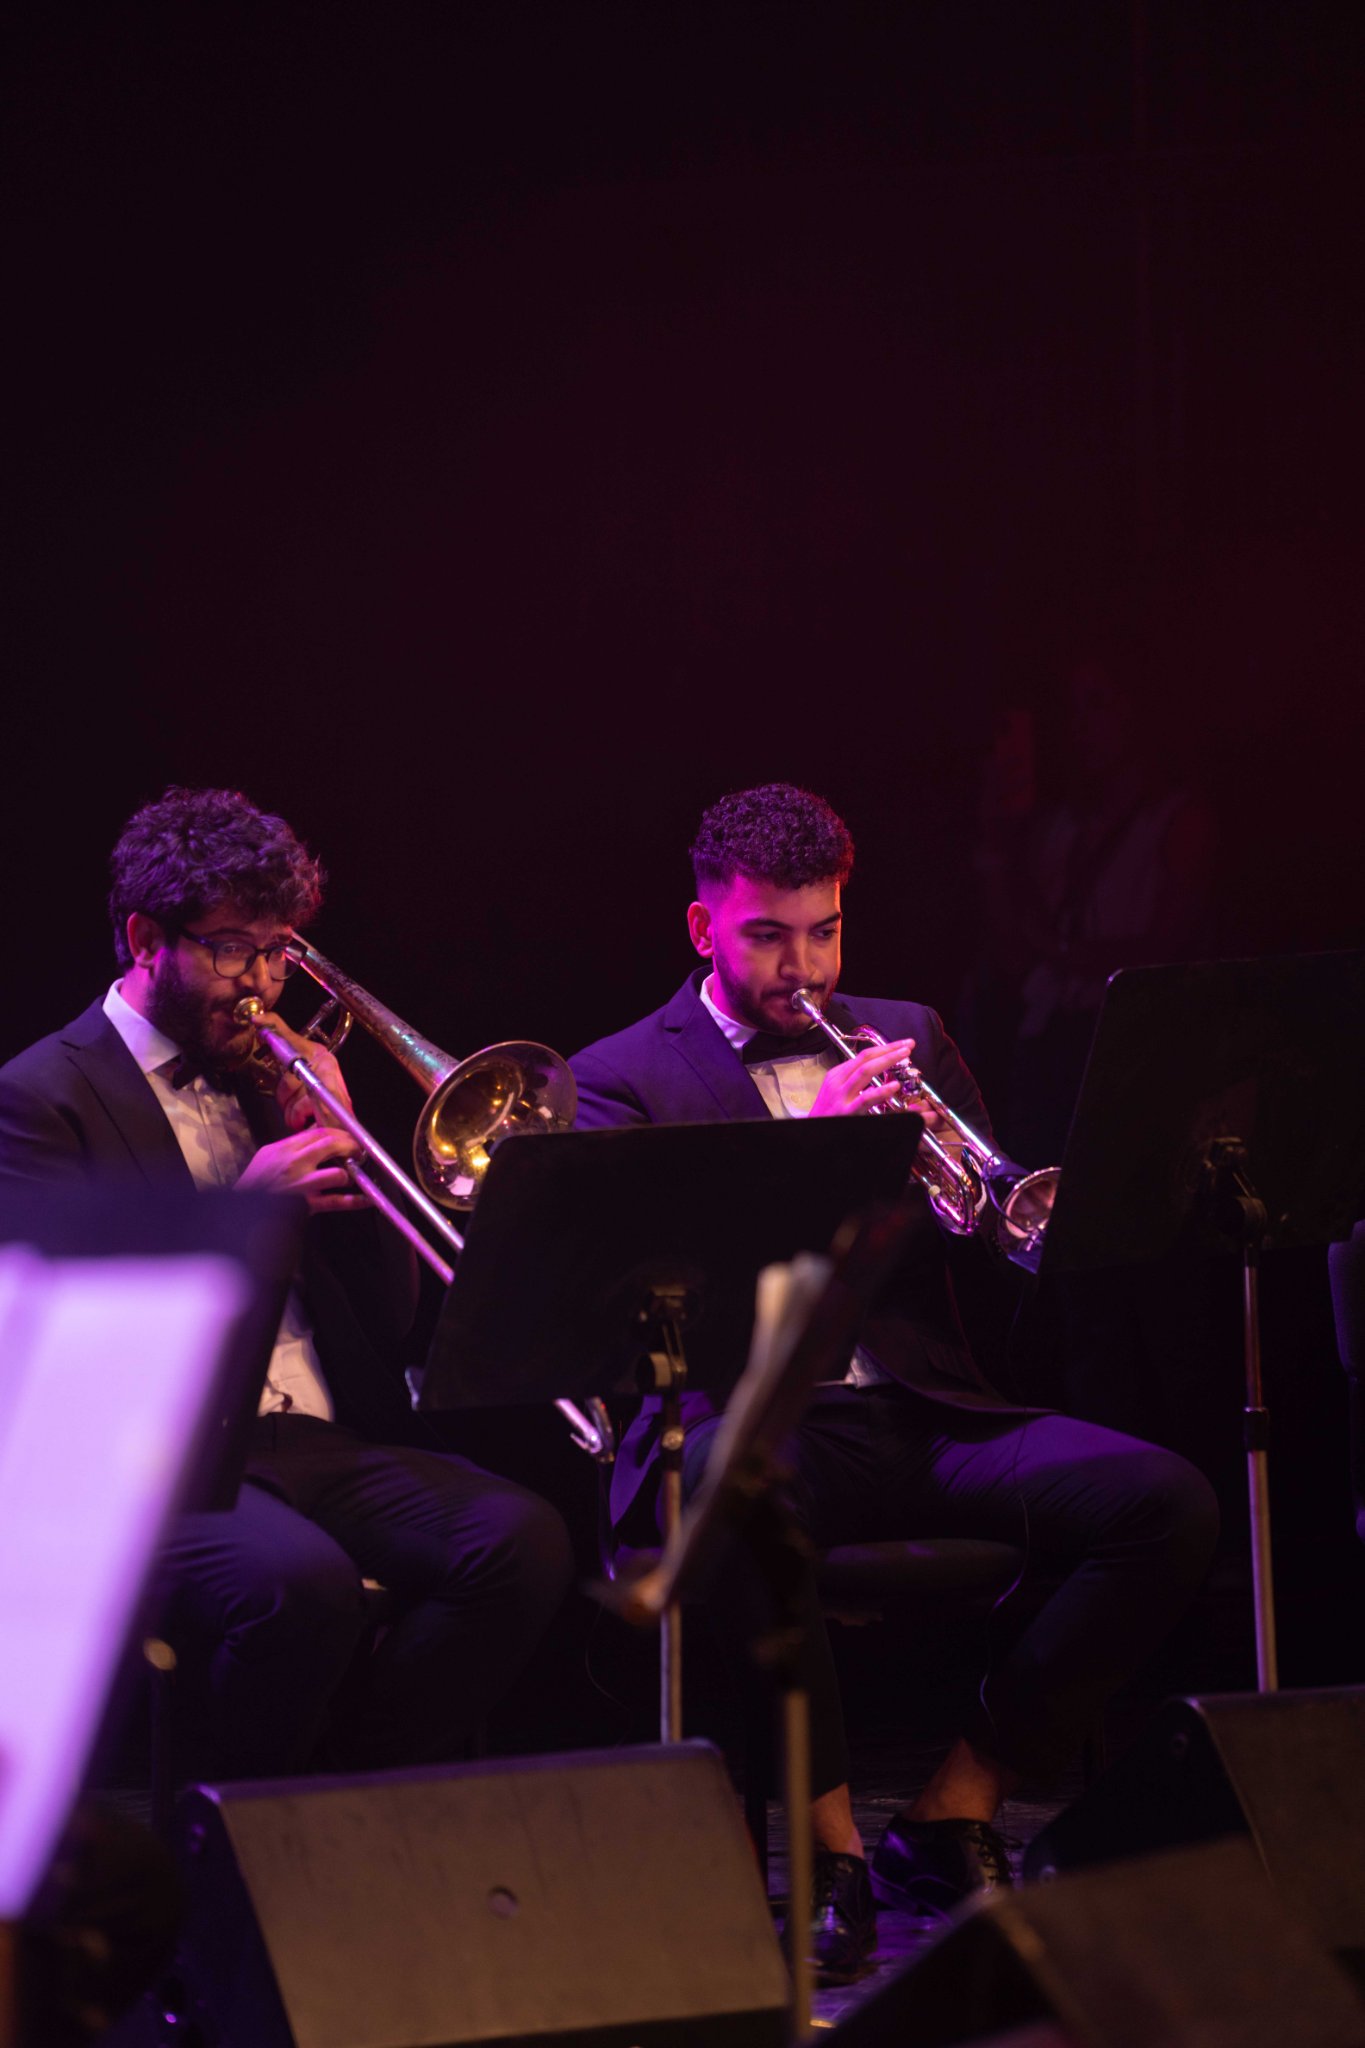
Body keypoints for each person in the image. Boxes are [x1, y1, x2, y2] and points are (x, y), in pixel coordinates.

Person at [571, 781, 1219, 1980]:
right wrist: (824, 1152)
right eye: (769, 935)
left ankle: (952, 1809)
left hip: (919, 1407)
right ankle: (833, 1855)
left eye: (825, 930)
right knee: (738, 1488)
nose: (805, 967)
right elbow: (662, 1304)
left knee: (1166, 1501)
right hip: (746, 1416)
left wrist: (983, 1207)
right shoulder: (616, 1077)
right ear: (703, 927)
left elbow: (994, 1228)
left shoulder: (903, 1029)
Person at [0, 786, 573, 1781]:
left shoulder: (271, 1077)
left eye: (278, 952)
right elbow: (78, 1351)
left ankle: (340, 1800)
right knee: (301, 1586)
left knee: (523, 1542)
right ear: (146, 939)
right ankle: (229, 1838)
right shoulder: (41, 1096)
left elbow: (389, 1323)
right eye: (234, 950)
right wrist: (247, 1214)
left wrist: (346, 1129)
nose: (260, 985)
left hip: (312, 1437)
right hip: (159, 1459)